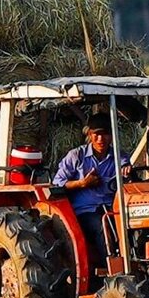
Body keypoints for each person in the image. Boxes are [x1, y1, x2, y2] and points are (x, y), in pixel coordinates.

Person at [52, 112, 125, 271]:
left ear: (111, 135)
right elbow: (57, 184)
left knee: (128, 224)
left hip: (112, 209)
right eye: (96, 134)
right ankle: (111, 269)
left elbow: (127, 168)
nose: (101, 139)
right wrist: (82, 183)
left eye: (105, 134)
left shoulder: (118, 156)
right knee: (101, 225)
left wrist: (128, 170)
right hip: (85, 211)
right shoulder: (76, 156)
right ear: (89, 135)